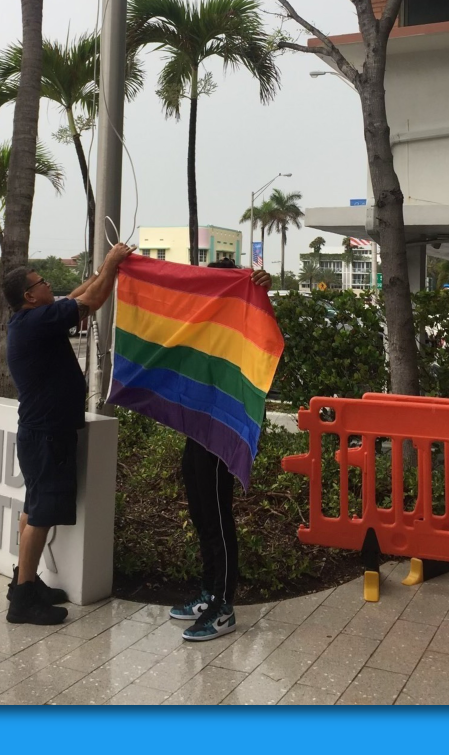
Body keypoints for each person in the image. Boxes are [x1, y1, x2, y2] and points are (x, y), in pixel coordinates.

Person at [0, 244, 132, 625]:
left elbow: (78, 294)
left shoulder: (36, 318)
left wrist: (107, 268)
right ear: (29, 296)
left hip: (40, 433)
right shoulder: (37, 322)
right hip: (47, 435)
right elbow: (94, 299)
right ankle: (22, 601)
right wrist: (111, 265)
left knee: (32, 509)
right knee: (40, 515)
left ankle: (23, 582)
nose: (50, 285)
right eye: (43, 283)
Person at [173, 255, 272, 642]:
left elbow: (265, 335)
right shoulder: (198, 321)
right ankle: (209, 592)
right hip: (195, 432)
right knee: (201, 514)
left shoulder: (241, 322)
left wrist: (260, 289)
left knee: (217, 517)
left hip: (220, 433)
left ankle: (224, 606)